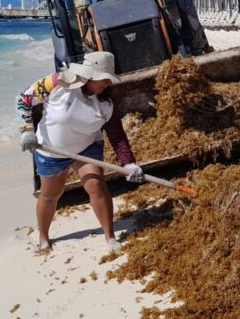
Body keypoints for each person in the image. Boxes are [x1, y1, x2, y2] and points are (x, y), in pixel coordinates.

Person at [17, 51, 145, 252]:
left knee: (96, 185)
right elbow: (23, 99)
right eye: (105, 79)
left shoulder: (106, 103)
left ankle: (110, 237)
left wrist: (129, 163)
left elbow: (117, 135)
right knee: (51, 195)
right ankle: (43, 236)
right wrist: (27, 131)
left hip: (87, 146)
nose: (108, 84)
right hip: (52, 149)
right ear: (90, 76)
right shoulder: (58, 83)